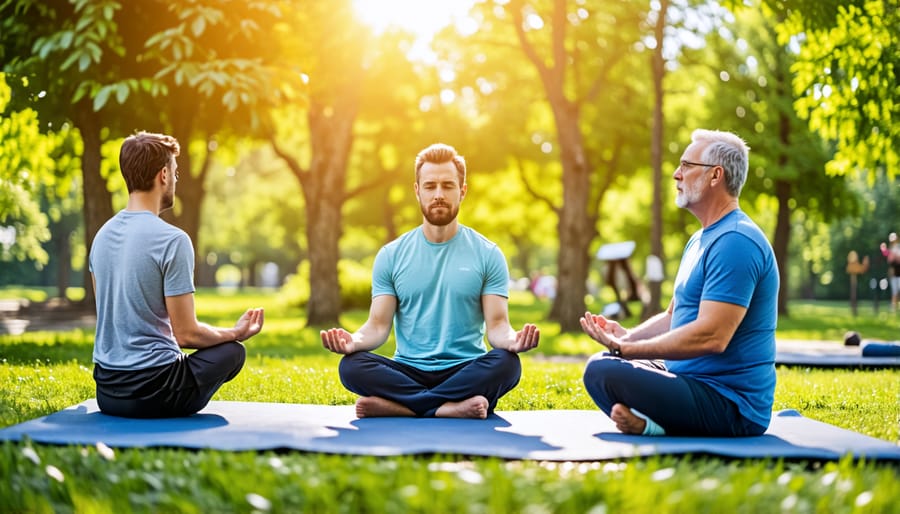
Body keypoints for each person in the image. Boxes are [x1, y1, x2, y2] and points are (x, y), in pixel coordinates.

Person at [580, 129, 778, 437]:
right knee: (603, 364)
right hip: (688, 381)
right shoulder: (700, 239)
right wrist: (627, 338)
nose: (676, 174)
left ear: (715, 176)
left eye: (686, 165)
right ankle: (653, 424)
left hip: (730, 403)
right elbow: (674, 316)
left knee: (604, 371)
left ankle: (656, 425)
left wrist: (628, 350)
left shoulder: (736, 241)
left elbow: (713, 337)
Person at [321, 143, 540, 419]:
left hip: (465, 368)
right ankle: (447, 408)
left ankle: (403, 406)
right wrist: (353, 341)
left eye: (448, 186)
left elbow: (497, 326)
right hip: (409, 370)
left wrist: (513, 340)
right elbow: (377, 326)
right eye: (430, 186)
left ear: (462, 191)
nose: (438, 194)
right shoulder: (392, 255)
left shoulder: (488, 254)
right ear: (417, 190)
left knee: (508, 364)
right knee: (351, 366)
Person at [90, 131, 264, 418]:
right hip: (155, 393)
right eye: (175, 171)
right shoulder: (173, 240)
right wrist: (236, 333)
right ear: (163, 175)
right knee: (233, 352)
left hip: (107, 392)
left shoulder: (101, 236)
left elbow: (111, 317)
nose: (176, 179)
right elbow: (186, 333)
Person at [880, 232, 900, 313]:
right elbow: (890, 260)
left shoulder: (898, 248)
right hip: (894, 274)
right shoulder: (890, 249)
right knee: (894, 291)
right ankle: (894, 309)